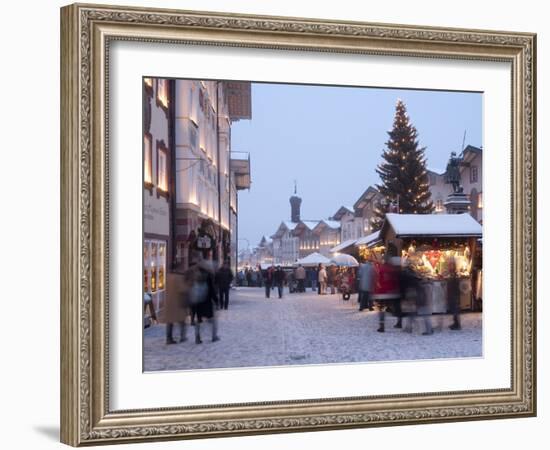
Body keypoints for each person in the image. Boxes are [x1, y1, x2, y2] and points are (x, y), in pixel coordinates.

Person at [188, 260, 220, 344]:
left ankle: (197, 337)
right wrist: (216, 301)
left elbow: (190, 287)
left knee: (199, 320)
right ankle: (214, 336)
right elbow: (212, 290)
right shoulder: (208, 276)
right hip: (207, 302)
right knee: (212, 320)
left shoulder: (195, 276)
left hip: (198, 302)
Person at [447, 257, 462, 330]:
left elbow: (455, 285)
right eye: (449, 265)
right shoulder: (452, 274)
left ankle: (457, 325)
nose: (449, 266)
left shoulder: (454, 275)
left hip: (454, 294)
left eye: (450, 265)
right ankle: (455, 323)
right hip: (453, 294)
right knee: (454, 309)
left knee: (455, 310)